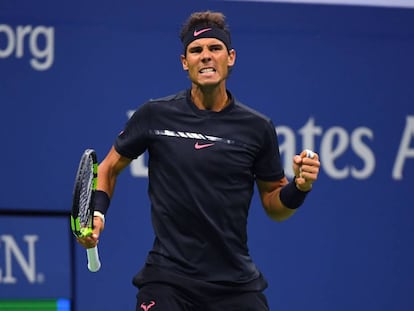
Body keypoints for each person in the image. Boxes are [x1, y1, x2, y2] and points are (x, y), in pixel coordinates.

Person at [77, 10, 320, 311]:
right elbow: (110, 166)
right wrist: (98, 214)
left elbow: (274, 204)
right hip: (168, 280)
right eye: (196, 50)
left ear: (230, 57)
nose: (206, 56)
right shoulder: (155, 115)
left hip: (235, 284)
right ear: (185, 63)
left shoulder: (257, 128)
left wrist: (300, 187)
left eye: (214, 48)